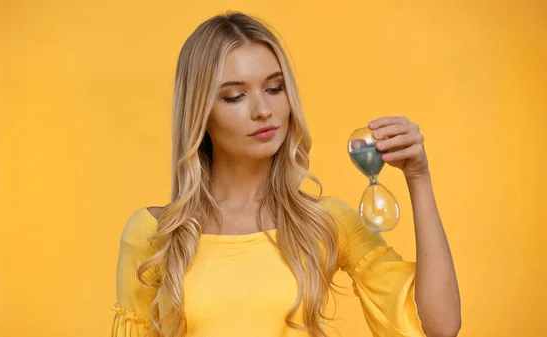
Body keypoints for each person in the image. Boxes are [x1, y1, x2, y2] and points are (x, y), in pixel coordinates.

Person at [110, 11, 461, 337]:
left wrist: (419, 177)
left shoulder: (324, 222)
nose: (264, 110)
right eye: (234, 96)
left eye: (275, 89)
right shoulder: (155, 234)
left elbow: (440, 327)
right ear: (200, 114)